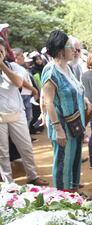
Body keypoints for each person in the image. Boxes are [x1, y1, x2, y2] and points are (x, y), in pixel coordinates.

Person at [41, 30, 91, 191]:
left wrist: (85, 100)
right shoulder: (51, 71)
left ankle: (73, 193)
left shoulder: (68, 68)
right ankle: (62, 198)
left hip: (75, 124)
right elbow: (48, 101)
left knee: (74, 161)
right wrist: (58, 129)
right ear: (61, 49)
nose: (74, 50)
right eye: (71, 46)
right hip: (62, 127)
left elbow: (75, 90)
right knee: (63, 163)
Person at [0, 37, 48, 186]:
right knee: (3, 151)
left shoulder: (13, 66)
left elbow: (19, 82)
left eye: (0, 51)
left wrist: (2, 65)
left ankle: (32, 176)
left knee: (26, 147)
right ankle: (8, 182)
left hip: (17, 113)